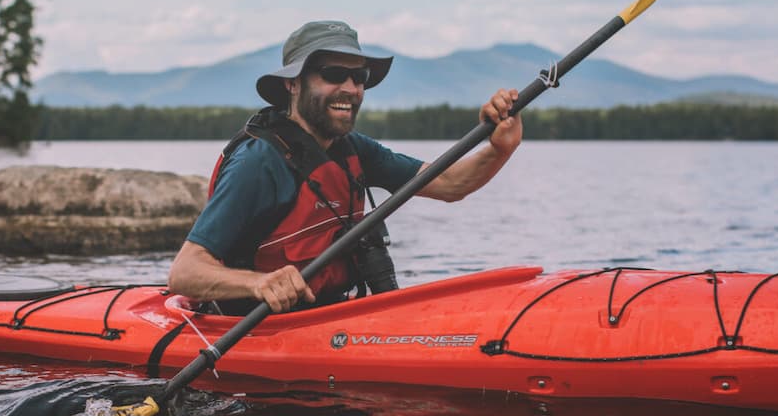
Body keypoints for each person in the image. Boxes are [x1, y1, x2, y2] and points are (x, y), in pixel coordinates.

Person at [168, 20, 522, 314]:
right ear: (293, 83)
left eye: (359, 77)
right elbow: (185, 273)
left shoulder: (351, 148)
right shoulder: (258, 162)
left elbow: (449, 184)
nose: (351, 89)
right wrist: (258, 283)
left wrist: (499, 149)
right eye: (334, 74)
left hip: (329, 317)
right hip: (250, 327)